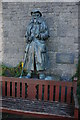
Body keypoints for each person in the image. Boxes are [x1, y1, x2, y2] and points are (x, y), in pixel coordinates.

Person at [24, 9, 49, 79]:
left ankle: (41, 73)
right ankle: (29, 72)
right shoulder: (30, 25)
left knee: (40, 58)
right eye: (33, 15)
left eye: (36, 15)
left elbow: (47, 34)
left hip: (39, 44)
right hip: (31, 44)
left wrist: (39, 35)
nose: (34, 17)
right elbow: (26, 35)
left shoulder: (43, 24)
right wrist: (29, 38)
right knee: (30, 58)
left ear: (39, 16)